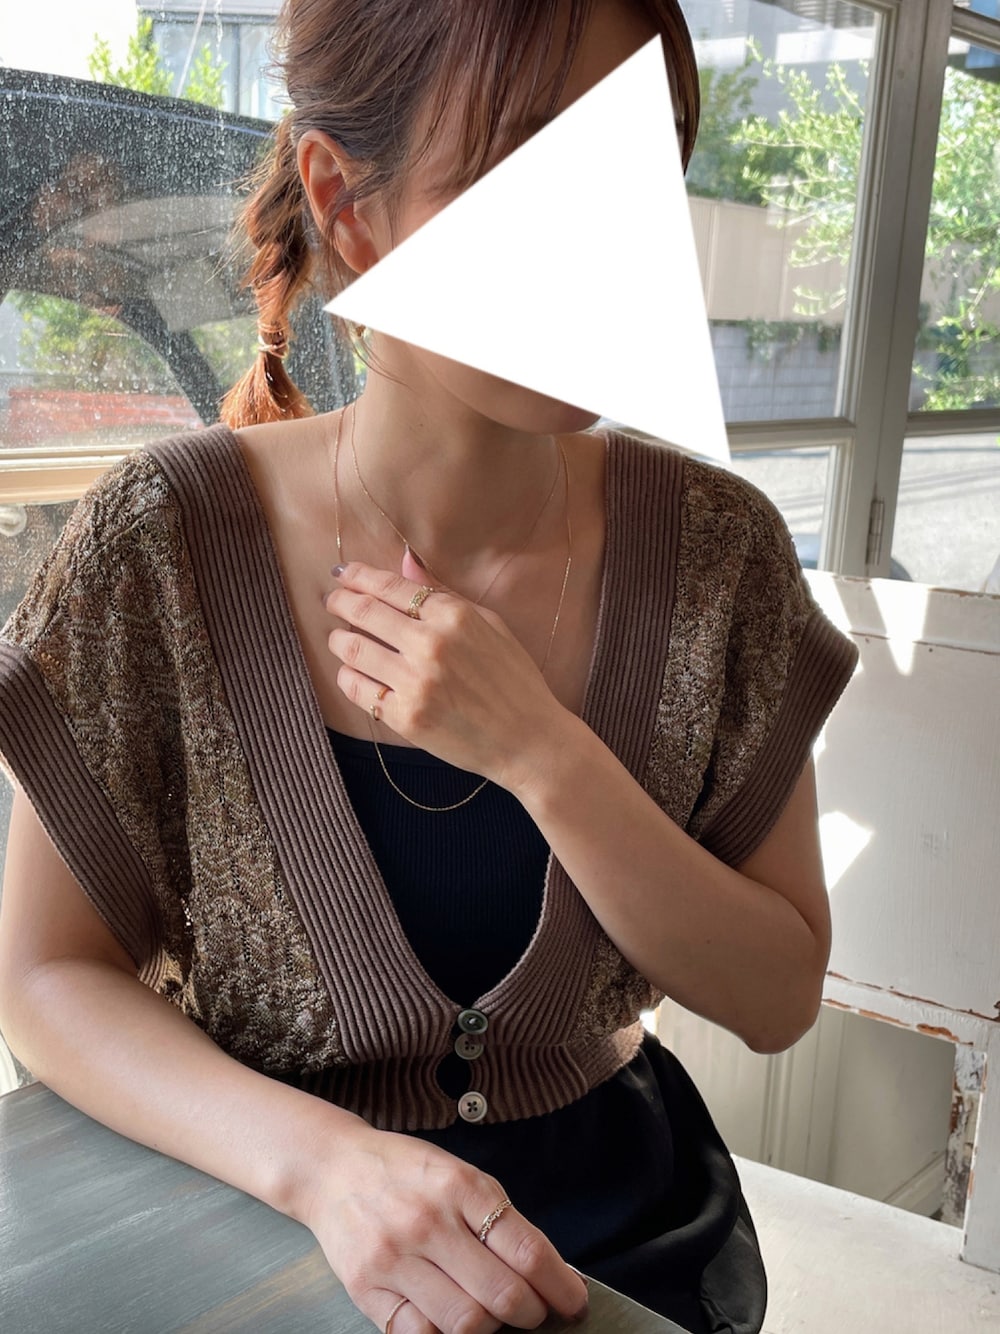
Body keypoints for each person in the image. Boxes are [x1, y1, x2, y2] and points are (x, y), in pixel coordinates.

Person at [0, 2, 859, 1332]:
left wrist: (543, 754)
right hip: (258, 1221)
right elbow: (46, 977)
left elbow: (777, 991)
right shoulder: (160, 541)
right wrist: (330, 1169)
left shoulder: (720, 556)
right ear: (347, 206)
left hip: (622, 1252)